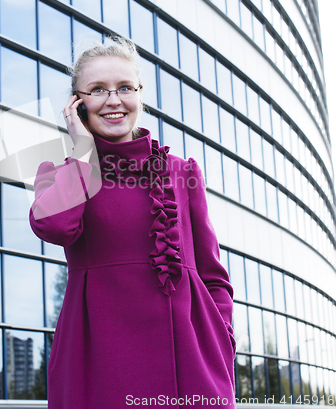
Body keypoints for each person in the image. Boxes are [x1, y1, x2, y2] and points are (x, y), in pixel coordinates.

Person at [29, 37, 236, 408]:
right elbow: (56, 228)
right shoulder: (58, 174)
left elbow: (213, 275)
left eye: (125, 87)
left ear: (139, 94)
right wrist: (82, 151)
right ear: (76, 105)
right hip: (99, 364)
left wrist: (222, 342)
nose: (113, 100)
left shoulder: (182, 172)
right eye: (97, 90)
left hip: (192, 367)